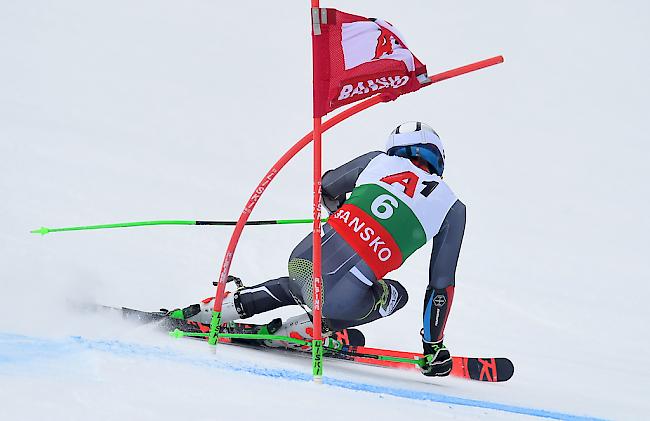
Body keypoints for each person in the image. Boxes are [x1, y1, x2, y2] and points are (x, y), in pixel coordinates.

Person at [173, 121, 465, 377]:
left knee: (299, 284)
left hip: (302, 260)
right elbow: (441, 285)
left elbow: (326, 186)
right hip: (341, 301)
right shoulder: (453, 209)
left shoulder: (377, 161)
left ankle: (216, 309)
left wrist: (343, 213)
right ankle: (311, 328)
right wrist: (433, 346)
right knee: (396, 294)